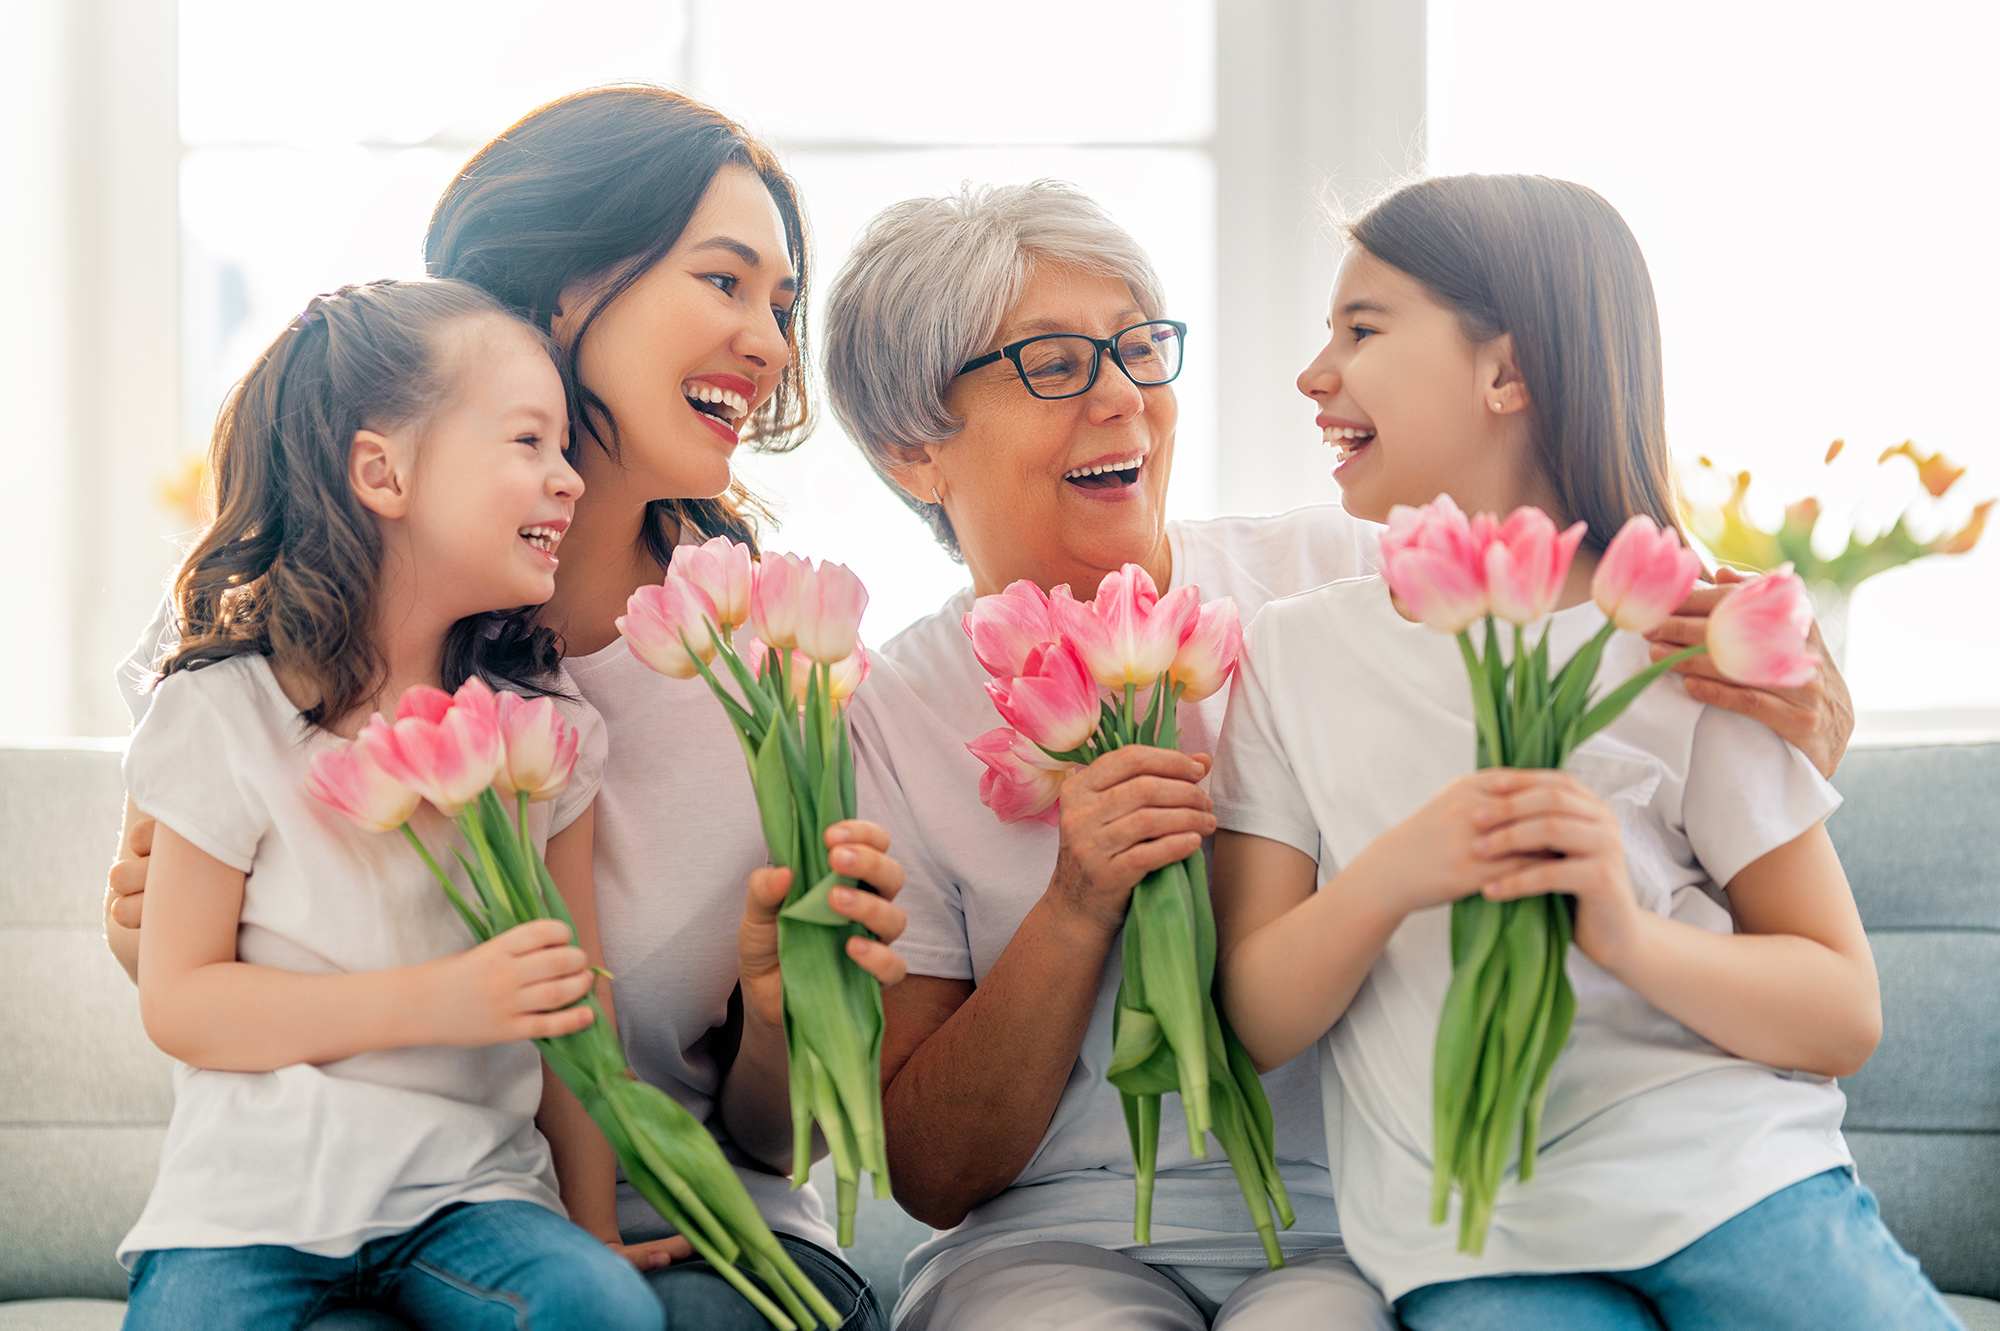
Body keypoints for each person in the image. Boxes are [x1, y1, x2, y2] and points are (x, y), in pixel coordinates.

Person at [822, 180, 1857, 1330]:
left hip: (1356, 1219)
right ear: (912, 448)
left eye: (1137, 351)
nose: (1122, 398)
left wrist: (1796, 706)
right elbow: (933, 1169)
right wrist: (1074, 902)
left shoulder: (1347, 576)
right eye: (1053, 365)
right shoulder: (887, 712)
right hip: (1051, 1238)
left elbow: (1614, 645)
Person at [107, 87, 904, 1329]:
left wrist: (783, 1009)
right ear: (563, 293)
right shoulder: (275, 663)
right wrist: (163, 938)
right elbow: (192, 964)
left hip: (685, 1239)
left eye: (782, 306)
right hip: (355, 1213)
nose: (769, 343)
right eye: (724, 281)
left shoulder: (771, 663)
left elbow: (781, 1129)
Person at [1209, 173, 1961, 1330]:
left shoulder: (1678, 632)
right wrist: (1400, 867)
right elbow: (1254, 1014)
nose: (1315, 374)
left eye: (1360, 329)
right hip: (1470, 1235)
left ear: (1505, 371)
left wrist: (1622, 931)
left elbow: (1837, 1007)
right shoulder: (1292, 653)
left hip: (1732, 1185)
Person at [119, 278, 662, 1330]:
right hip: (242, 1205)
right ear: (383, 471)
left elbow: (572, 1012)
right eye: (528, 440)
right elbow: (181, 1000)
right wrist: (441, 1001)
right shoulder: (220, 712)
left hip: (471, 1196)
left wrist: (592, 1229)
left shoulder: (548, 730)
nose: (568, 481)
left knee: (603, 1313)